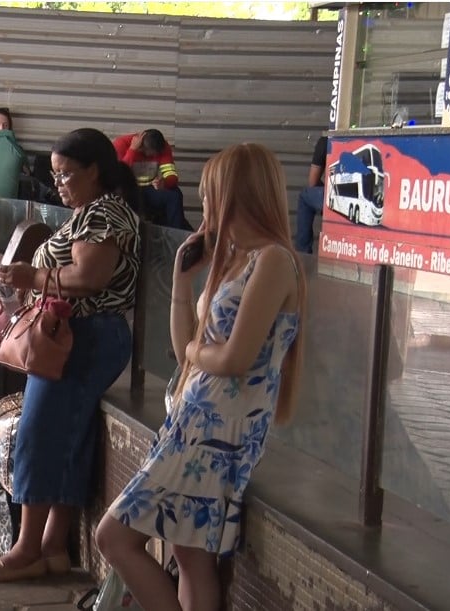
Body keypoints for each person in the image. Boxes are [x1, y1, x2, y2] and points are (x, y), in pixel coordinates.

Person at [96, 143, 306, 611]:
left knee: (113, 536)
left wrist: (194, 350)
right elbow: (183, 348)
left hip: (219, 431)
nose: (205, 206)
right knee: (190, 553)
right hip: (194, 419)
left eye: (211, 195)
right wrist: (183, 281)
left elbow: (233, 358)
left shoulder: (273, 260)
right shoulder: (234, 259)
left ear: (237, 195)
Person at [0, 128, 140, 582]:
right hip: (77, 336)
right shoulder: (88, 211)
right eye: (54, 174)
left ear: (95, 170)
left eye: (66, 173)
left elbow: (89, 277)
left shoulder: (106, 212)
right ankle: (51, 547)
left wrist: (32, 276)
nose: (59, 183)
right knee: (68, 436)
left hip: (83, 337)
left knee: (38, 433)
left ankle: (26, 549)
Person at [114, 129, 188, 230]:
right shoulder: (121, 144)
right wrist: (132, 150)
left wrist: (164, 183)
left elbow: (171, 175)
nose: (151, 156)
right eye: (148, 153)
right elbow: (118, 175)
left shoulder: (163, 147)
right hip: (129, 190)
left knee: (175, 195)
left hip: (150, 188)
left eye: (154, 155)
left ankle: (176, 236)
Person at [294, 135, 328, 254]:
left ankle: (303, 254)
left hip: (336, 196)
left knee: (305, 197)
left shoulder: (326, 141)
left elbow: (312, 182)